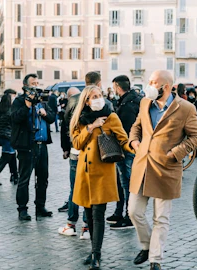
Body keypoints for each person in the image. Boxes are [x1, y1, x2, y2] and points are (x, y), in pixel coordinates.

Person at [128, 70, 197, 270]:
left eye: (154, 82)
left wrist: (176, 152)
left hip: (166, 169)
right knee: (133, 211)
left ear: (166, 87)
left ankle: (156, 259)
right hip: (143, 165)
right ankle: (146, 246)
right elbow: (137, 126)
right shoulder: (145, 103)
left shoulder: (186, 108)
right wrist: (134, 141)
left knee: (161, 217)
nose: (149, 85)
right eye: (149, 81)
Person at [70, 85, 133, 269]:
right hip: (84, 173)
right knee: (88, 214)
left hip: (103, 173)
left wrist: (136, 148)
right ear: (86, 101)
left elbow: (123, 140)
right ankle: (92, 251)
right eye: (93, 96)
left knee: (98, 215)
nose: (98, 98)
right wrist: (91, 127)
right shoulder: (80, 119)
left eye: (99, 95)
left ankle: (96, 255)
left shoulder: (111, 117)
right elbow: (77, 143)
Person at [11, 74, 56, 221]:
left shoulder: (42, 101)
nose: (36, 85)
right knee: (24, 179)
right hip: (27, 145)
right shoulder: (18, 101)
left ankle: (40, 206)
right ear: (25, 86)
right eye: (32, 83)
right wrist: (27, 105)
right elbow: (16, 118)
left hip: (42, 145)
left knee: (43, 178)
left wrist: (45, 113)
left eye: (37, 82)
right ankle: (22, 209)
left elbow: (51, 117)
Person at [105, 75, 142, 230]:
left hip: (127, 147)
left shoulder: (128, 103)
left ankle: (128, 215)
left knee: (126, 181)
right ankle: (120, 211)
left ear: (117, 86)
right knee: (122, 181)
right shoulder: (133, 99)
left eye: (114, 87)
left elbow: (124, 128)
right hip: (127, 147)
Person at [58, 87, 91, 238]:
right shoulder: (98, 108)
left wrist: (65, 148)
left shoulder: (72, 109)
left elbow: (65, 128)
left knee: (75, 189)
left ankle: (72, 224)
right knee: (87, 189)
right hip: (86, 154)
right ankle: (86, 226)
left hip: (76, 153)